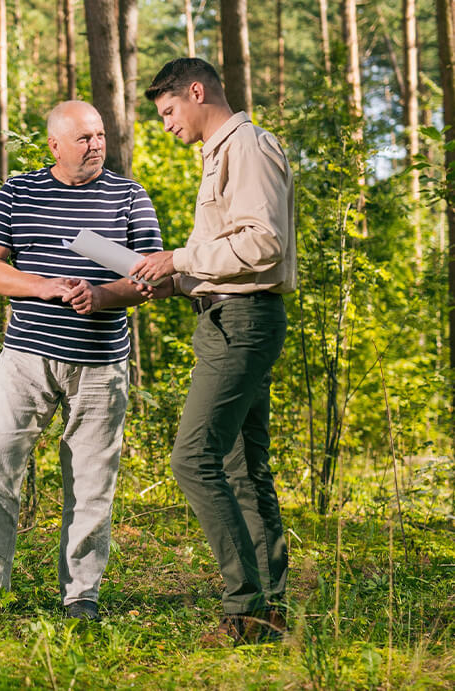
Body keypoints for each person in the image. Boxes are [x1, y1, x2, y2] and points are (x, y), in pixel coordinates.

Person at [0, 100, 164, 621]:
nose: (95, 145)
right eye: (83, 138)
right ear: (54, 145)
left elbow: (153, 278)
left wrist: (104, 296)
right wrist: (43, 287)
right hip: (25, 356)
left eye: (99, 135)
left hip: (100, 363)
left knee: (91, 479)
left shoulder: (129, 196)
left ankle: (81, 595)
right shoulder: (19, 191)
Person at [130, 58, 296, 645]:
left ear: (196, 92)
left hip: (243, 322)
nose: (167, 125)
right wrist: (168, 278)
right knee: (241, 467)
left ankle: (244, 607)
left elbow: (263, 243)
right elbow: (226, 253)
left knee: (192, 459)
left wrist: (176, 258)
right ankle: (267, 611)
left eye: (169, 111)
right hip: (228, 317)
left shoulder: (245, 147)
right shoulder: (221, 154)